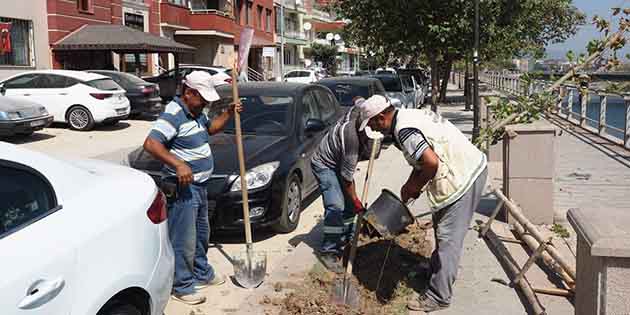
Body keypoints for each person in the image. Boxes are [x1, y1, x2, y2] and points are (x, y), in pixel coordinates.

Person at [357, 95, 488, 312]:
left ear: (382, 117)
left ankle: (439, 296)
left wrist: (413, 187)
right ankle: (436, 272)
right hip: (464, 168)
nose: (375, 130)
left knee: (448, 239)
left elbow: (430, 162)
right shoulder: (407, 116)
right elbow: (423, 160)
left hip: (463, 177)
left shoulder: (404, 130)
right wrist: (410, 184)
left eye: (373, 124)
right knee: (441, 229)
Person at [143, 71, 242, 305]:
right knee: (183, 239)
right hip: (182, 188)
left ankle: (201, 273)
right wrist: (178, 164)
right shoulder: (174, 113)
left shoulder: (196, 113)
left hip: (200, 187)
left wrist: (228, 113)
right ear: (188, 93)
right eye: (203, 98)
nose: (206, 103)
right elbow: (150, 143)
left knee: (200, 236)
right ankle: (182, 285)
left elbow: (210, 130)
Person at [311, 97, 372, 272]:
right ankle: (329, 250)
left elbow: (358, 101)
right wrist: (357, 201)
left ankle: (346, 238)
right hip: (324, 163)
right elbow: (347, 179)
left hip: (340, 159)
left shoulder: (364, 110)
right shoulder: (351, 137)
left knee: (350, 209)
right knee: (336, 205)